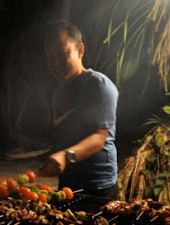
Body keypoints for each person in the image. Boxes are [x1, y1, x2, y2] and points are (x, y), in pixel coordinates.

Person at [37, 20, 119, 199]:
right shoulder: (57, 92)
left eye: (61, 54)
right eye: (50, 57)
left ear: (80, 50)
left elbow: (99, 138)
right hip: (67, 185)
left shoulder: (99, 85)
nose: (55, 62)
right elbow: (64, 132)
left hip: (99, 186)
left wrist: (65, 156)